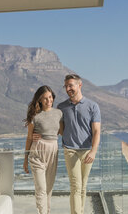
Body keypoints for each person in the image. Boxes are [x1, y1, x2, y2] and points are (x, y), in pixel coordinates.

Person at [58, 74, 101, 214]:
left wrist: (93, 151)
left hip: (88, 151)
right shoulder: (61, 107)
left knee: (83, 186)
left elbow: (96, 131)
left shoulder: (93, 106)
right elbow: (60, 130)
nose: (68, 88)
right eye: (66, 86)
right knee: (76, 186)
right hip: (70, 150)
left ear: (79, 85)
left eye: (71, 85)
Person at [23, 85, 63, 214]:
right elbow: (29, 138)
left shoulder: (59, 113)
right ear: (39, 100)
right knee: (41, 188)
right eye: (45, 98)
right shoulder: (35, 116)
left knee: (49, 189)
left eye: (50, 97)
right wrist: (25, 159)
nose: (48, 100)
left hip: (53, 151)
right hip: (37, 152)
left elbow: (62, 132)